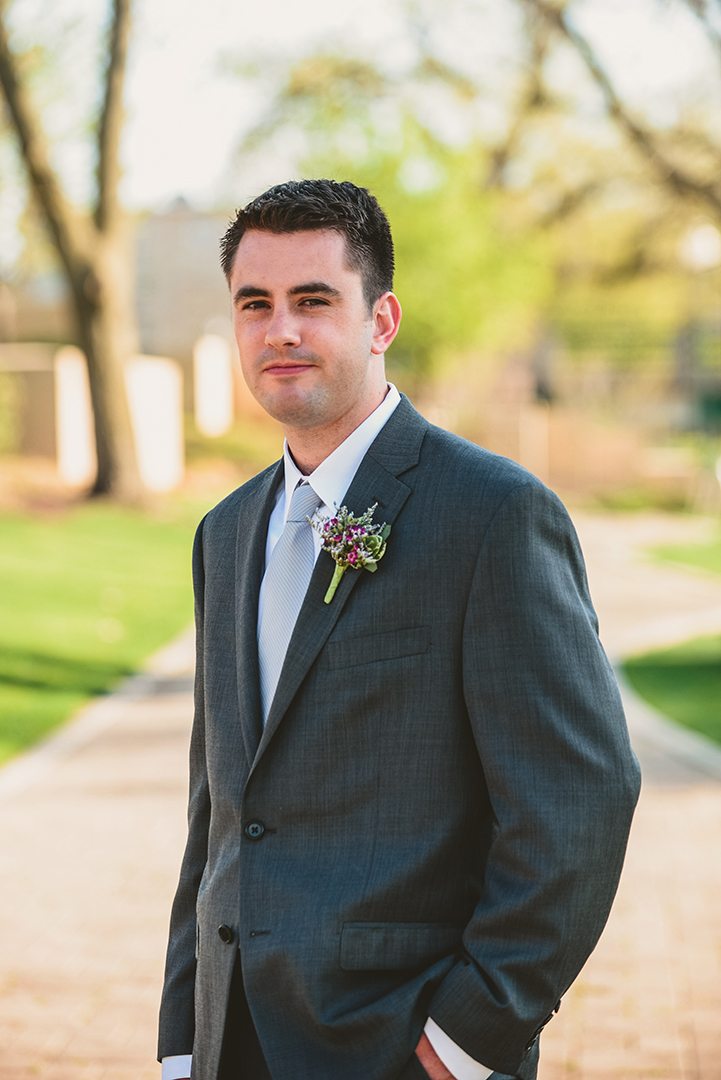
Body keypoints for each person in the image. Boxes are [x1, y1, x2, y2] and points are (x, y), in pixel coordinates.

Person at [157, 179, 640, 1080]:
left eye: (313, 301)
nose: (281, 331)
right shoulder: (223, 534)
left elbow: (580, 799)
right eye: (254, 305)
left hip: (399, 1042)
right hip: (234, 1042)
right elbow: (217, 815)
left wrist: (468, 1037)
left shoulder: (491, 514)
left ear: (381, 321)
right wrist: (185, 1039)